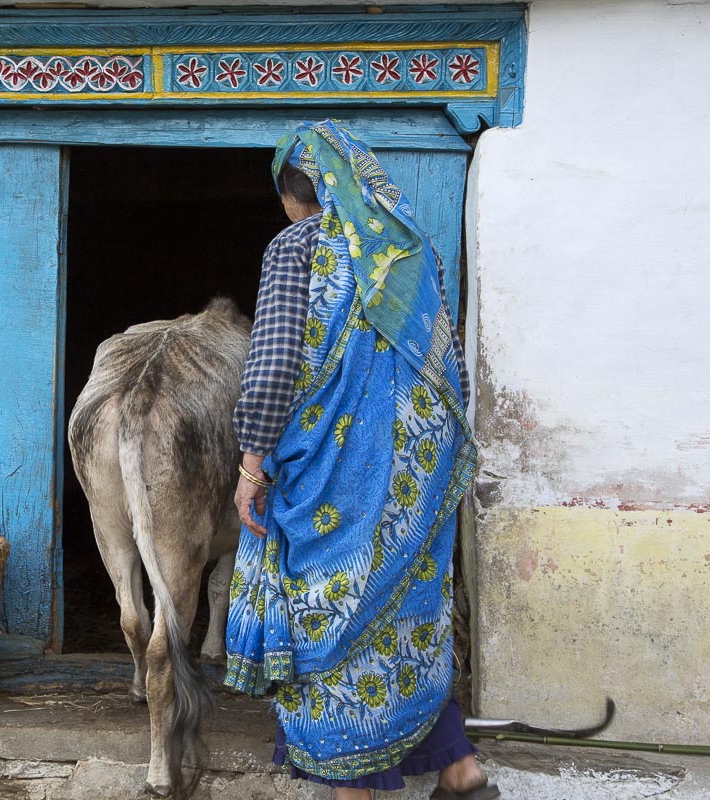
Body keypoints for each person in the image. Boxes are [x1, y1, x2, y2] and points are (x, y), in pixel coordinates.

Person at [225, 121, 499, 800]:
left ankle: (354, 789)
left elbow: (274, 365)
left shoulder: (295, 248)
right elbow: (447, 363)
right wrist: (431, 461)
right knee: (407, 612)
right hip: (416, 469)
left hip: (332, 475)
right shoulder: (413, 249)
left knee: (329, 611)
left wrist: (252, 463)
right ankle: (460, 769)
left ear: (294, 194)